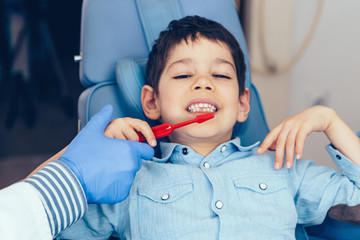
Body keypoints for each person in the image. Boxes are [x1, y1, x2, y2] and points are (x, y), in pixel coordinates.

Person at [54, 15, 360, 239]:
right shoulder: (128, 183)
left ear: (243, 104)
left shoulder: (283, 168)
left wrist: (329, 120)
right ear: (151, 102)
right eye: (183, 75)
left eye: (222, 75)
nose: (203, 82)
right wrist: (82, 158)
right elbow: (30, 221)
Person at [0, 105, 154, 240]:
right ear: (151, 103)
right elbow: (37, 223)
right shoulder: (132, 182)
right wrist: (71, 162)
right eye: (179, 76)